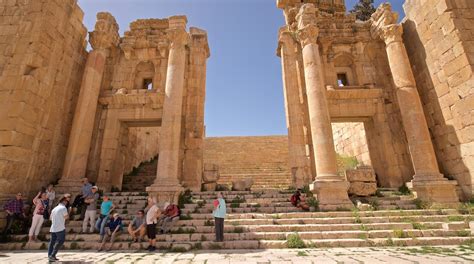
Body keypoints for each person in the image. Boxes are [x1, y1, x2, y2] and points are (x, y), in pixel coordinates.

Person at [48, 196, 69, 262]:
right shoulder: (63, 208)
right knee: (60, 241)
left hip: (53, 227)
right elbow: (66, 217)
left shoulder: (54, 209)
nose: (66, 202)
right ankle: (53, 255)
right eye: (66, 201)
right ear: (64, 201)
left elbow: (50, 218)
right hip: (60, 228)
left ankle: (50, 256)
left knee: (52, 242)